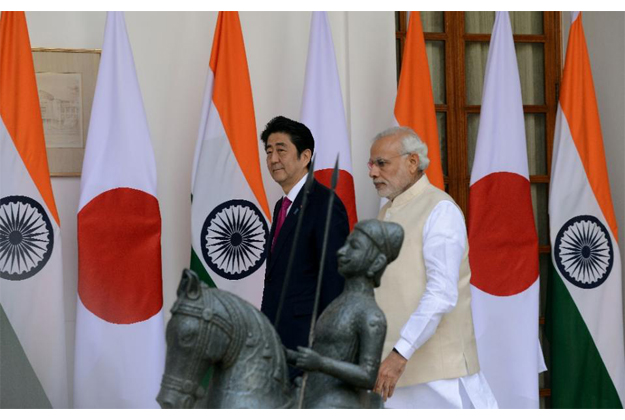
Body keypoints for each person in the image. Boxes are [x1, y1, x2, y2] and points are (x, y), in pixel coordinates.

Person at [368, 126, 498, 409]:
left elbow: (441, 293)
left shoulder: (440, 210)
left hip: (440, 380)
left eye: (381, 163)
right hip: (393, 375)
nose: (373, 173)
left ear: (412, 162)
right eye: (371, 164)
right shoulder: (385, 213)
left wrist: (400, 354)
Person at [259, 116, 349, 380]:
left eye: (281, 149)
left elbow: (335, 280)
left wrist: (326, 351)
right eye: (268, 151)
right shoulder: (282, 206)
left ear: (305, 156)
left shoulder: (324, 203)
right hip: (278, 340)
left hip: (308, 344)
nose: (273, 158)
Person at [289, 220, 403, 409]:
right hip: (312, 393)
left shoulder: (370, 315)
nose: (342, 251)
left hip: (337, 404)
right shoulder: (338, 303)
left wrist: (320, 363)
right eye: (346, 244)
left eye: (354, 247)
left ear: (376, 262)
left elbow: (368, 376)